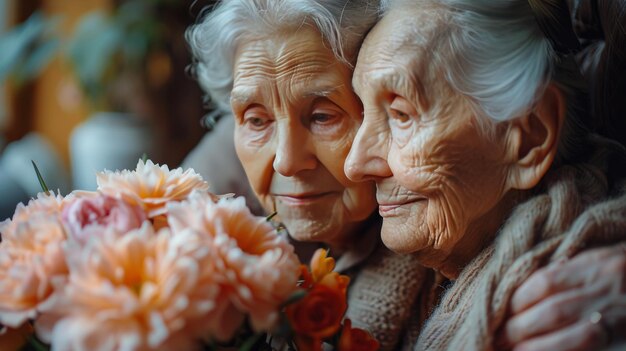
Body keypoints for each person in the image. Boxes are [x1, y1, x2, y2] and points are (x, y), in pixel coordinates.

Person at [344, 0, 626, 350]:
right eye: (362, 113)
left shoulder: (572, 316)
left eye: (401, 114)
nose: (355, 165)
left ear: (528, 139)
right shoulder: (393, 281)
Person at [186, 1, 429, 349]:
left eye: (322, 117)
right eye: (257, 120)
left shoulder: (440, 214)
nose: (286, 162)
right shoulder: (225, 156)